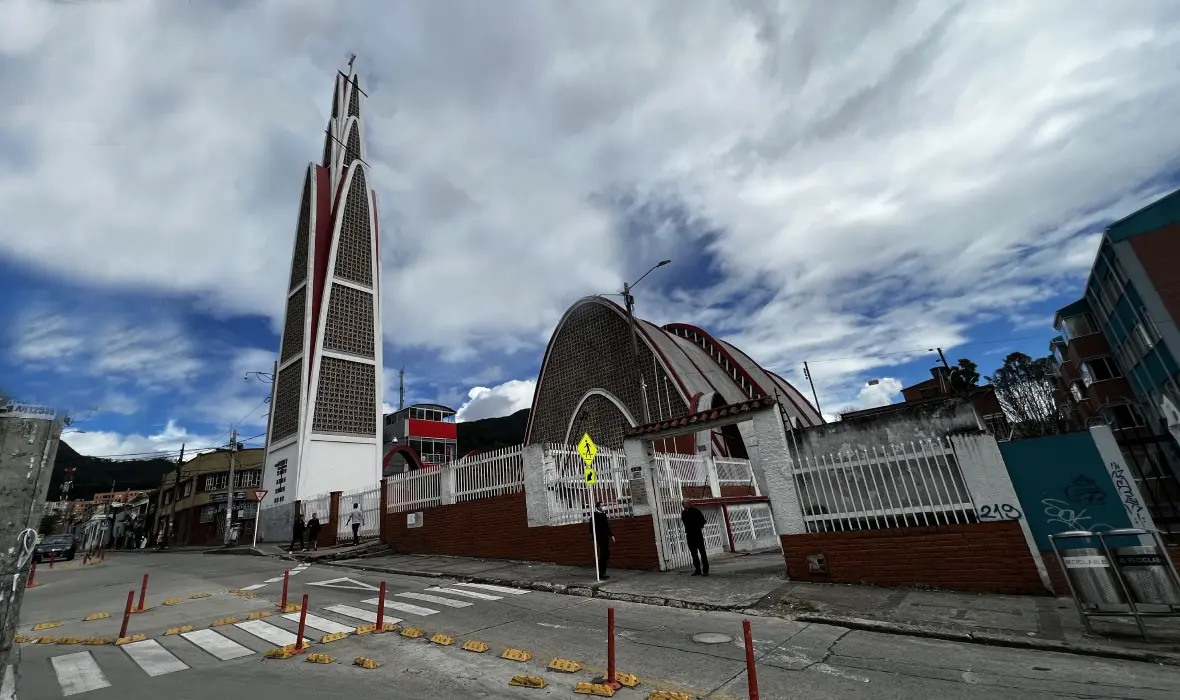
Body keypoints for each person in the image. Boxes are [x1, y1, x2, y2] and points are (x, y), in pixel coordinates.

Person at [681, 504, 709, 576]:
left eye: (684, 504)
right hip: (690, 535)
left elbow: (703, 521)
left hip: (697, 534)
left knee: (702, 553)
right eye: (683, 504)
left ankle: (705, 570)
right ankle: (697, 570)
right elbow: (685, 522)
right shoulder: (683, 513)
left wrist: (698, 527)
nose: (683, 506)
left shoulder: (696, 511)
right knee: (694, 554)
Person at [590, 503, 614, 579]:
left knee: (606, 554)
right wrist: (595, 538)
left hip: (605, 537)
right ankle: (601, 573)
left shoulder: (603, 515)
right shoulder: (595, 516)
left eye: (603, 505)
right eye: (601, 506)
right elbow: (591, 528)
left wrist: (611, 535)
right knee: (604, 554)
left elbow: (607, 526)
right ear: (598, 507)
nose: (603, 507)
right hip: (600, 538)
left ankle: (603, 572)